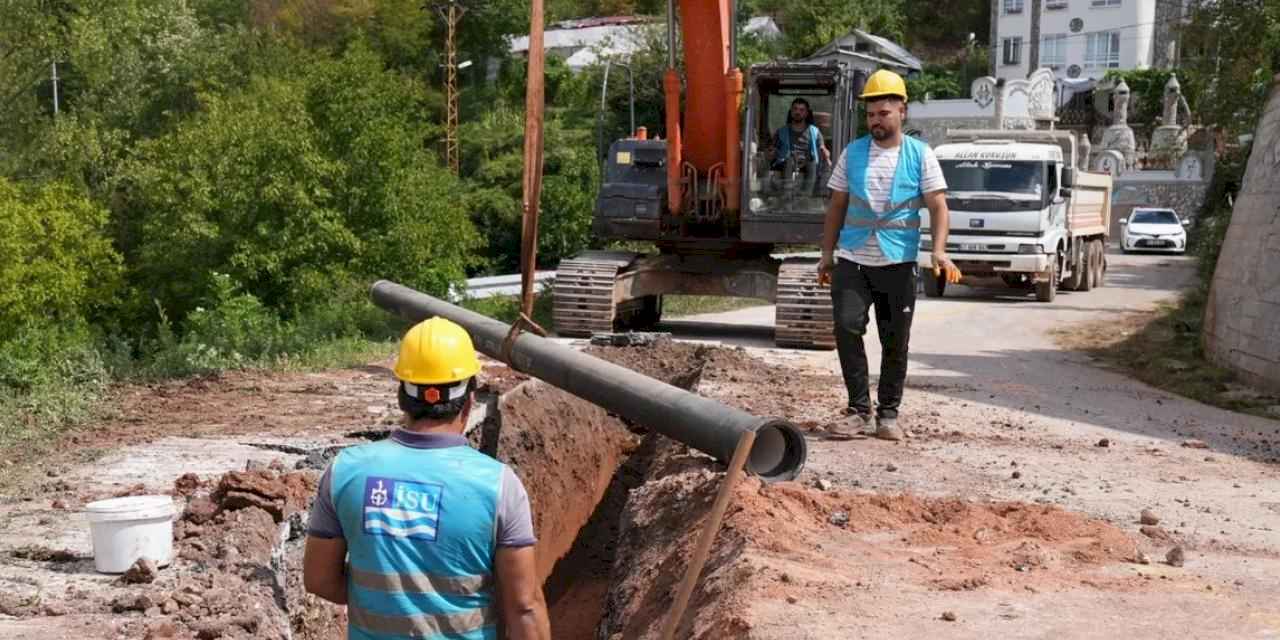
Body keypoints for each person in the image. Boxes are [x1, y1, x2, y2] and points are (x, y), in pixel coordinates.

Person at [303, 317, 551, 640]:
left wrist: (389, 599)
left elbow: (319, 579)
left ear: (401, 397)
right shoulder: (498, 485)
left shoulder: (345, 471)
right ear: (470, 400)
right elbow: (524, 608)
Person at [817, 69, 961, 442]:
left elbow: (938, 206)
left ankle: (888, 414)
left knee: (895, 339)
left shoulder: (920, 155)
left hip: (898, 261)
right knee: (847, 328)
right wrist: (826, 254)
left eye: (883, 112)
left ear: (902, 111)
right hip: (853, 257)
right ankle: (858, 410)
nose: (876, 120)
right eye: (870, 114)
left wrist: (939, 252)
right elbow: (836, 206)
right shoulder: (853, 153)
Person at [772, 97, 832, 194]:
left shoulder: (815, 132)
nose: (798, 112)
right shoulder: (781, 132)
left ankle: (807, 196)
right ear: (791, 111)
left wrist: (825, 152)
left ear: (807, 113)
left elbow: (823, 148)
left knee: (812, 164)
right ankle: (787, 195)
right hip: (786, 166)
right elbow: (772, 151)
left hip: (808, 166)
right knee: (788, 160)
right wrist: (771, 152)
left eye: (801, 110)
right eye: (795, 109)